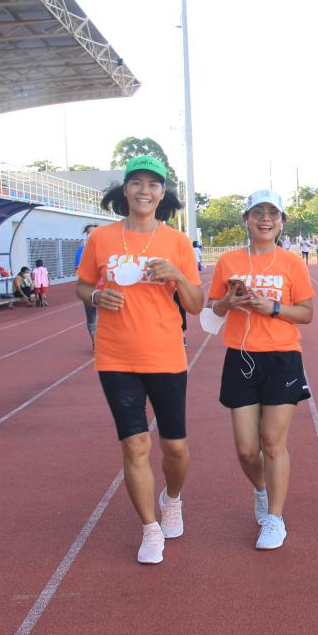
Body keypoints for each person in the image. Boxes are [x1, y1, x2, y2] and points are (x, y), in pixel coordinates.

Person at [75, 155, 203, 564]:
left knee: (175, 448)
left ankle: (173, 499)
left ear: (162, 194)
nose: (144, 191)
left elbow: (196, 304)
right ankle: (150, 529)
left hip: (165, 355)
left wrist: (177, 275)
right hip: (116, 357)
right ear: (125, 189)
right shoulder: (102, 239)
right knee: (134, 445)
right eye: (137, 183)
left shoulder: (177, 243)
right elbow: (83, 285)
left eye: (153, 184)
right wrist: (97, 296)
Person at [206, 190, 314, 550]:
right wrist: (227, 301)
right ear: (247, 219)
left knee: (272, 441)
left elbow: (307, 313)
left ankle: (275, 518)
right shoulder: (228, 262)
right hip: (241, 357)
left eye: (273, 213)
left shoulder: (292, 263)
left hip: (283, 357)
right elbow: (210, 313)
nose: (266, 219)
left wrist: (273, 308)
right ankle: (262, 489)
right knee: (246, 449)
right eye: (258, 212)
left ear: (281, 222)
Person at [75, 225, 99, 346]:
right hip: (89, 290)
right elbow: (78, 270)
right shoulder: (81, 251)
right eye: (89, 232)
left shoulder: (108, 248)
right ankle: (95, 341)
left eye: (94, 232)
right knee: (91, 316)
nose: (91, 235)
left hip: (106, 289)